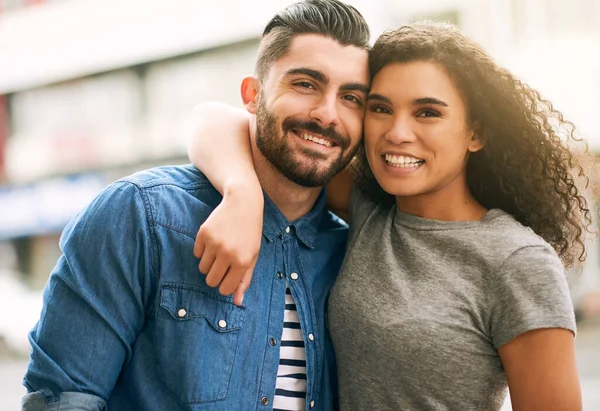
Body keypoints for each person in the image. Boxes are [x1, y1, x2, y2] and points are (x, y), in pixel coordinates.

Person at [186, 22, 592, 410]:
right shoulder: (371, 210)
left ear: (476, 133)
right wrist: (242, 195)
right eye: (380, 108)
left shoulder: (518, 261)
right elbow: (217, 120)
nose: (397, 132)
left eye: (427, 113)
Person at [22, 0, 371, 410]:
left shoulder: (353, 252)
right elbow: (63, 399)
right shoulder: (142, 216)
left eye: (351, 98)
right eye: (305, 84)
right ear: (252, 95)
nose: (328, 114)